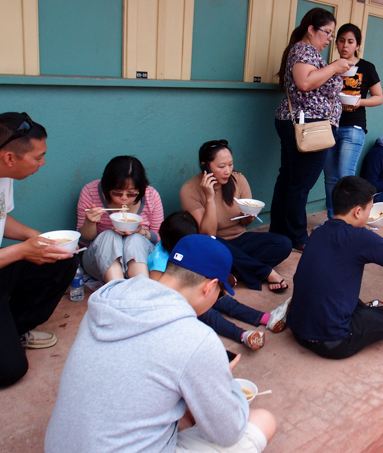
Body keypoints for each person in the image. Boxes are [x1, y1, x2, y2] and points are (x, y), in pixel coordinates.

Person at [45, 234, 277, 452]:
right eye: (220, 293)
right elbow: (229, 432)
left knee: (183, 409)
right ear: (209, 286)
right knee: (263, 420)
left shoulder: (108, 299)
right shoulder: (197, 340)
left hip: (59, 446)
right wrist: (226, 381)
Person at [287, 176, 383, 359]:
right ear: (358, 212)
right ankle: (377, 330)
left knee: (339, 293)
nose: (368, 216)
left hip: (297, 329)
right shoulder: (360, 237)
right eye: (369, 209)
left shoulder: (318, 231)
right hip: (333, 342)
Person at [0, 112, 77, 387]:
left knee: (62, 258)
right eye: (38, 157)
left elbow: (1, 218)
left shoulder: (3, 175)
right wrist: (22, 251)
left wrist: (35, 237)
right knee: (10, 370)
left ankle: (14, 329)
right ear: (10, 158)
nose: (43, 162)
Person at [148, 211, 291, 350]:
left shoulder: (184, 249)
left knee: (225, 300)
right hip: (182, 302)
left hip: (198, 289)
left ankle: (267, 318)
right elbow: (159, 290)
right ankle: (243, 335)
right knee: (210, 315)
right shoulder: (159, 259)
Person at [270, 8, 351, 251]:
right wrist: (336, 67)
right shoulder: (303, 50)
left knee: (289, 180)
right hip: (309, 126)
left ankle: (280, 232)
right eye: (327, 33)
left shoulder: (307, 51)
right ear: (311, 29)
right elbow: (305, 82)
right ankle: (297, 237)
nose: (329, 39)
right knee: (300, 184)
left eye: (331, 34)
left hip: (304, 123)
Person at [181, 139, 292, 292]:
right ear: (205, 166)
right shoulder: (189, 190)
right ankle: (266, 272)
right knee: (213, 243)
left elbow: (245, 224)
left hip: (240, 239)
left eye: (230, 164)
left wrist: (249, 216)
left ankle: (237, 273)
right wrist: (209, 197)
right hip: (214, 245)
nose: (228, 171)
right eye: (221, 166)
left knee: (284, 243)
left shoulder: (238, 179)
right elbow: (207, 234)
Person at [323, 23, 383, 218]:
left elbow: (379, 97)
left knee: (345, 176)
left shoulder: (366, 67)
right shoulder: (332, 66)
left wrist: (360, 101)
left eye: (350, 41)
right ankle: (333, 221)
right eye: (341, 41)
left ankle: (348, 223)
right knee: (330, 178)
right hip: (330, 126)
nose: (345, 46)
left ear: (357, 45)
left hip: (354, 127)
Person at [77, 156, 163, 282]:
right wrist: (90, 222)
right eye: (117, 193)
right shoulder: (90, 192)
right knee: (109, 235)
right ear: (106, 187)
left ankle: (141, 286)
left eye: (132, 194)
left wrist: (140, 232)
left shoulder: (151, 195)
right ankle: (116, 287)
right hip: (98, 263)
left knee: (134, 239)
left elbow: (159, 238)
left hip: (142, 259)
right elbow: (83, 243)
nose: (124, 198)